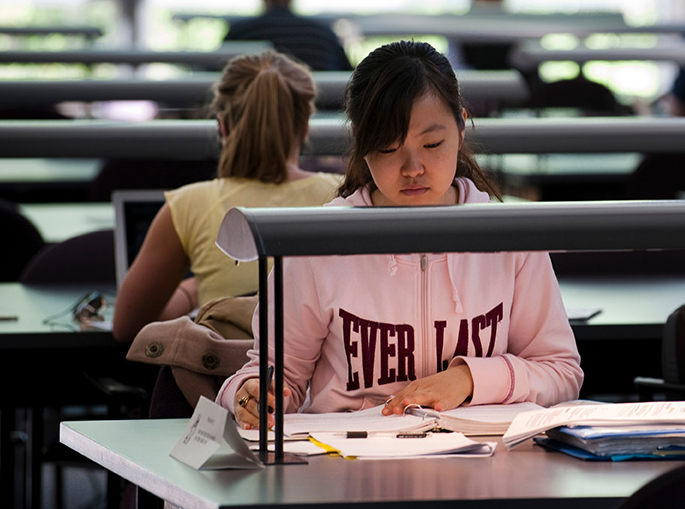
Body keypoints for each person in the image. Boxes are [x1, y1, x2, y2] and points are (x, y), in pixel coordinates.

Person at [218, 41, 583, 427]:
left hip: (482, 459)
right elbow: (274, 378)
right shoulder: (320, 243)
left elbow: (561, 372)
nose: (412, 168)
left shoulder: (510, 239)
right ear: (362, 143)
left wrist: (468, 379)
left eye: (432, 144)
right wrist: (249, 394)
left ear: (461, 126)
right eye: (389, 148)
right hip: (347, 467)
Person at [112, 51, 342, 343]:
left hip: (222, 386)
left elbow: (128, 328)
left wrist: (192, 292)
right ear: (306, 127)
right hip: (322, 387)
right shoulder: (346, 196)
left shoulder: (187, 205)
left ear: (222, 126)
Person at [224, 0, 352, 72]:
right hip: (318, 101)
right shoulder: (324, 35)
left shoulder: (239, 33)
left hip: (256, 101)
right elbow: (351, 79)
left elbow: (217, 74)